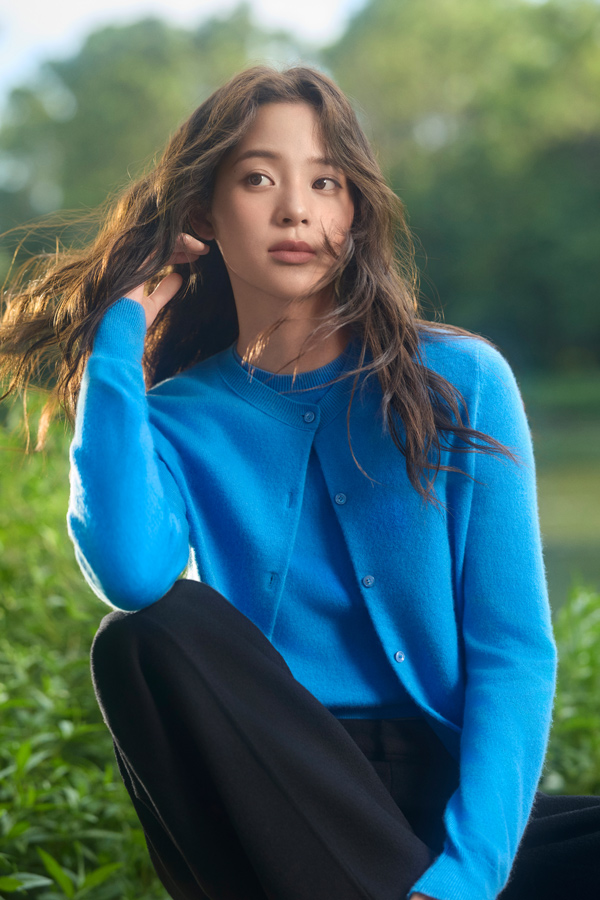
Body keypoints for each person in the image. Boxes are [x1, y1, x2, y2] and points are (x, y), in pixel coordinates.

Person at [1, 64, 599, 900]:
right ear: (203, 214)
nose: (296, 210)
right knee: (143, 638)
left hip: (442, 798)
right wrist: (118, 336)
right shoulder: (177, 417)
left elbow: (513, 651)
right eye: (258, 179)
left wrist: (466, 880)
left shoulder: (461, 379)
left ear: (355, 210)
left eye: (326, 181)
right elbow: (131, 573)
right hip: (272, 787)